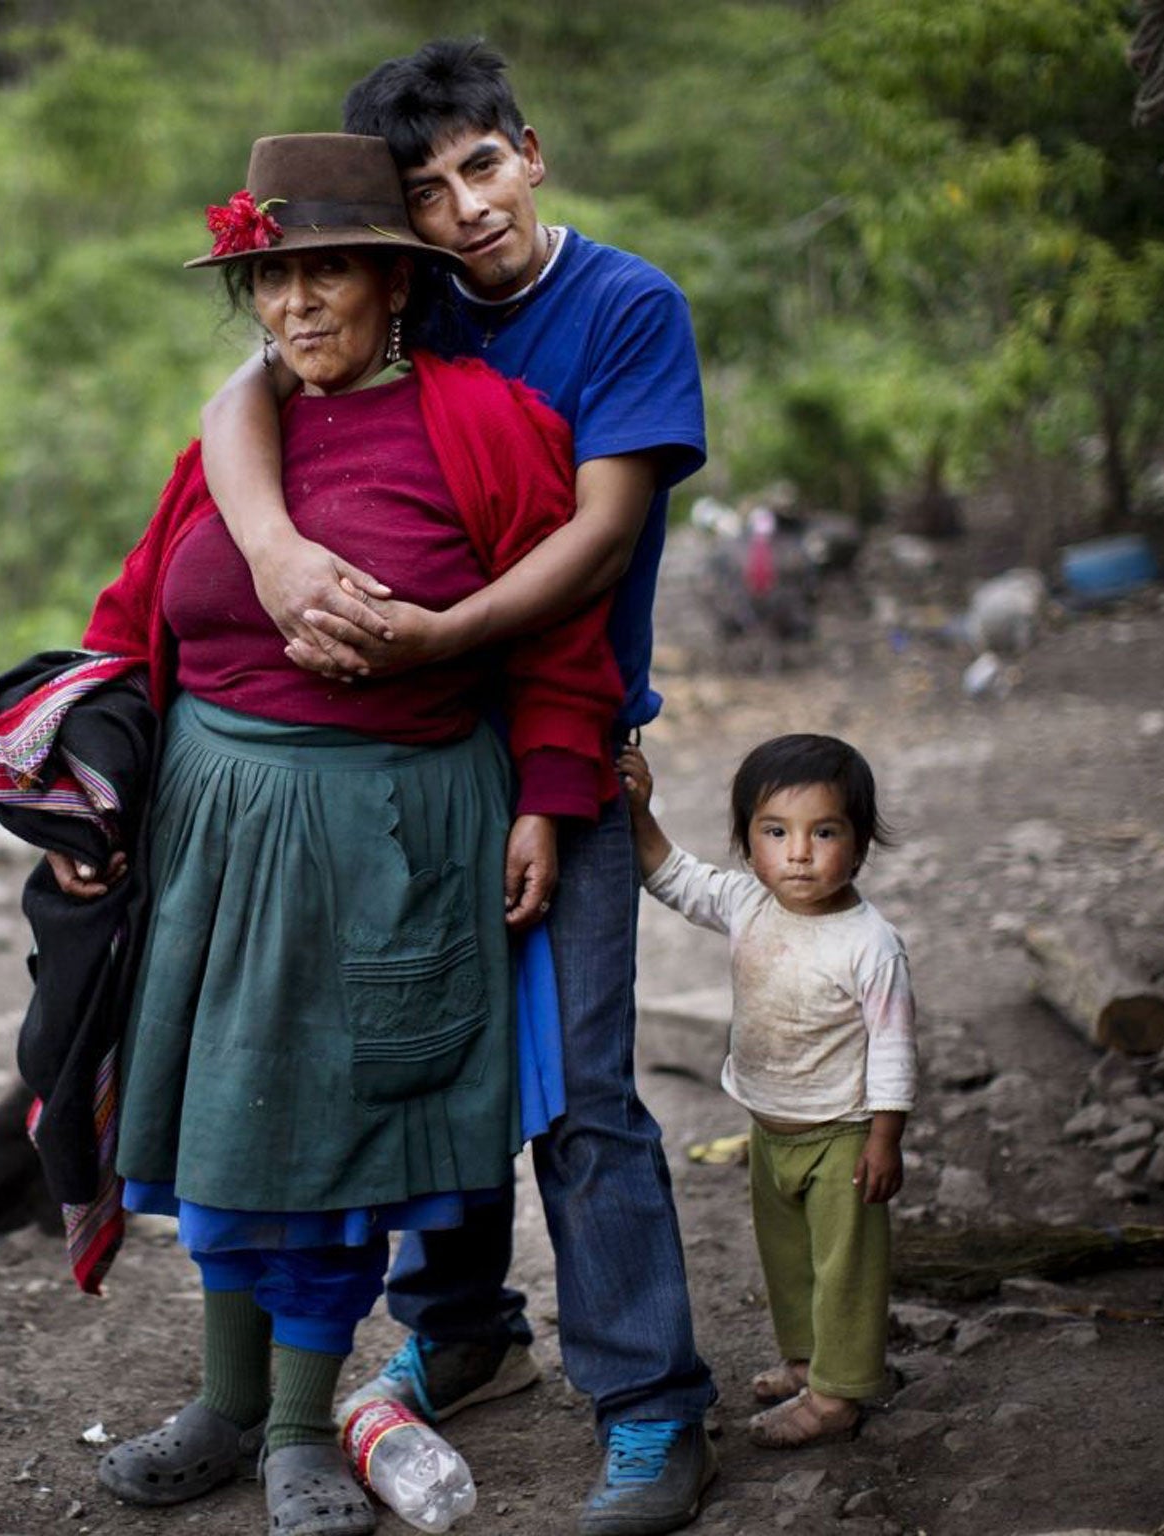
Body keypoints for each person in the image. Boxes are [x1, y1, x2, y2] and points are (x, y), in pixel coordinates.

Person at [62, 133, 624, 1536]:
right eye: (271, 281)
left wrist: (552, 795)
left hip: (389, 833)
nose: (297, 306)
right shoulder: (228, 445)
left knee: (334, 1134)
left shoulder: (487, 425)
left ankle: (306, 1432)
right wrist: (89, 796)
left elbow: (564, 636)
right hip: (216, 830)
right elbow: (131, 622)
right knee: (225, 1130)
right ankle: (227, 1403)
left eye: (326, 274)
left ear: (392, 282)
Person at [197, 38, 719, 1536]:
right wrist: (279, 555)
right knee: (432, 1057)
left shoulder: (621, 306)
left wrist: (442, 637)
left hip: (564, 748)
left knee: (586, 1090)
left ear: (531, 152)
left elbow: (599, 540)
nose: (466, 207)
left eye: (481, 167)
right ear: (393, 235)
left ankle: (651, 1401)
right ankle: (468, 1320)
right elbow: (245, 390)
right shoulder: (399, 313)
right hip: (411, 769)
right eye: (425, 194)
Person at [618, 734, 917, 1449]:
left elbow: (894, 1047)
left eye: (825, 832)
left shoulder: (869, 944)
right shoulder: (749, 902)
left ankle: (838, 1397)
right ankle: (808, 1362)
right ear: (747, 841)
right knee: (786, 1258)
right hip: (769, 1129)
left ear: (862, 843)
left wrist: (885, 1138)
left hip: (841, 1136)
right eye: (776, 832)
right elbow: (674, 877)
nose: (800, 853)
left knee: (844, 1268)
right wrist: (639, 813)